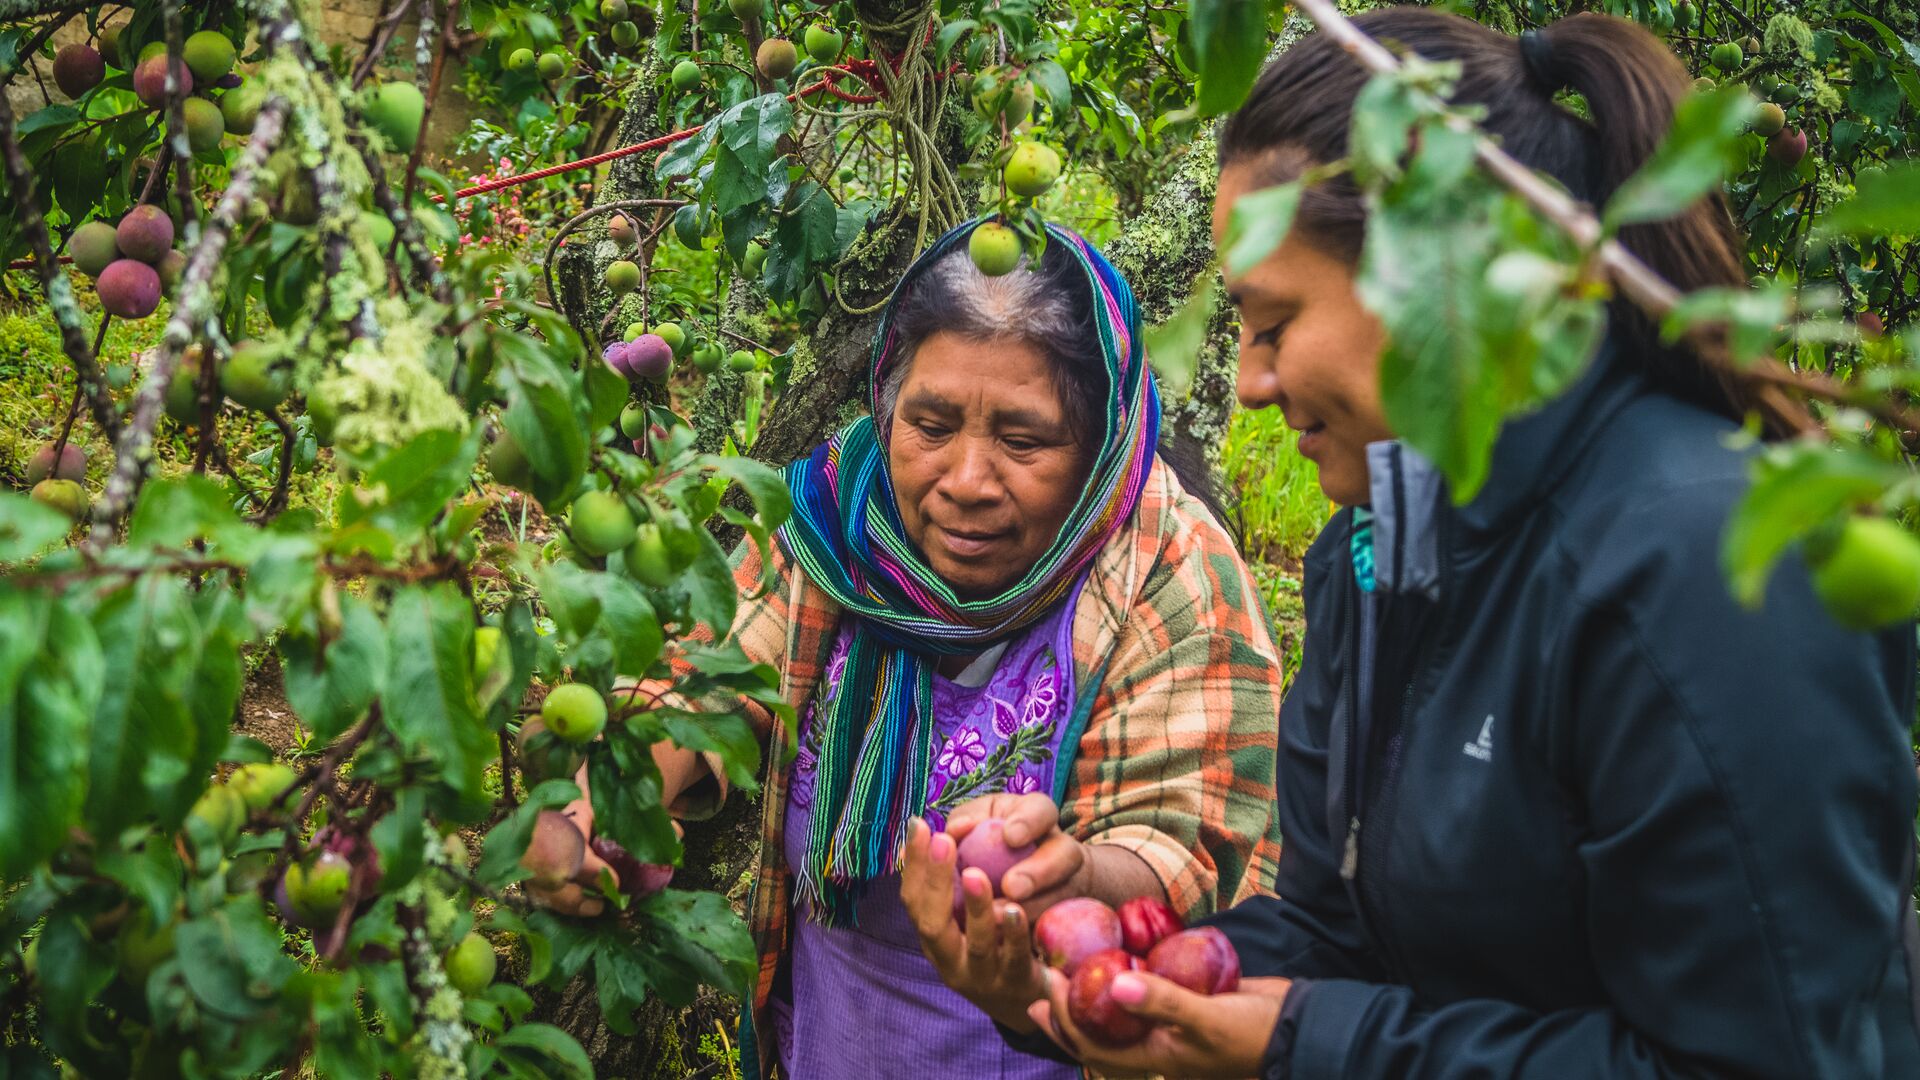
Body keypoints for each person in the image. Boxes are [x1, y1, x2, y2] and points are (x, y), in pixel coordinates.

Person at [962, 9, 1920, 1078]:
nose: (1250, 381)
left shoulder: (1712, 573)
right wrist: (1093, 965)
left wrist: (1303, 1046)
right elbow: (1342, 934)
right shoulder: (1388, 544)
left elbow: (1755, 1060)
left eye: (1274, 324)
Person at [540, 219, 1287, 1079]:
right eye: (930, 425)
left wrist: (1069, 874)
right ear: (887, 411)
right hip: (834, 1039)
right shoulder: (835, 518)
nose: (967, 481)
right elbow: (717, 667)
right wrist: (614, 801)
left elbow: (1182, 844)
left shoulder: (1167, 566)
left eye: (1023, 440)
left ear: (1100, 447)